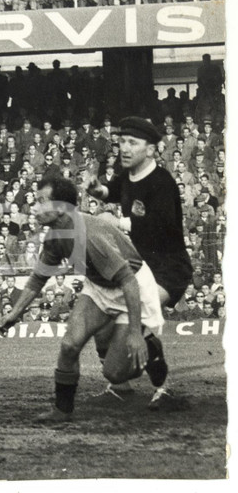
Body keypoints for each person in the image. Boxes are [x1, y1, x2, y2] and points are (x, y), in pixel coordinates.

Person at [0, 177, 172, 422]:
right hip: (100, 285)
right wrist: (14, 314)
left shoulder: (89, 234)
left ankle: (150, 345)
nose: (33, 207)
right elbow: (38, 279)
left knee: (114, 373)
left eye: (40, 201)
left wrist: (135, 332)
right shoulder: (55, 237)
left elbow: (129, 282)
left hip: (133, 288)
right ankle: (62, 409)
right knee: (69, 345)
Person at [84, 116, 191, 407]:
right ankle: (122, 386)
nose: (125, 148)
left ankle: (165, 389)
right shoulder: (127, 175)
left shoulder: (162, 183)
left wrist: (117, 222)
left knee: (140, 320)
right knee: (103, 323)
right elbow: (111, 192)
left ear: (151, 149)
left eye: (133, 142)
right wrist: (96, 190)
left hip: (169, 270)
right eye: (122, 142)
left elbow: (163, 225)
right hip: (142, 268)